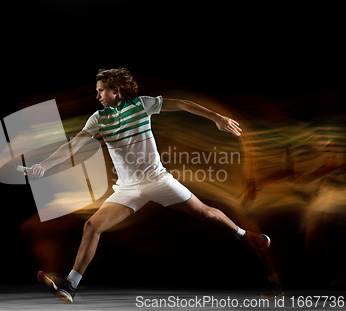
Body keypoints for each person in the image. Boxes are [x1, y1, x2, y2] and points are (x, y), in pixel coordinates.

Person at [33, 67, 273, 303]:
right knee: (92, 226)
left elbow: (182, 104)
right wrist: (44, 165)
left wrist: (217, 118)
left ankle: (245, 235)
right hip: (127, 189)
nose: (97, 96)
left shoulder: (142, 104)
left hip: (158, 181)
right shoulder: (98, 118)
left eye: (101, 91)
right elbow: (73, 146)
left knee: (206, 213)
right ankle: (70, 286)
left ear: (116, 90)